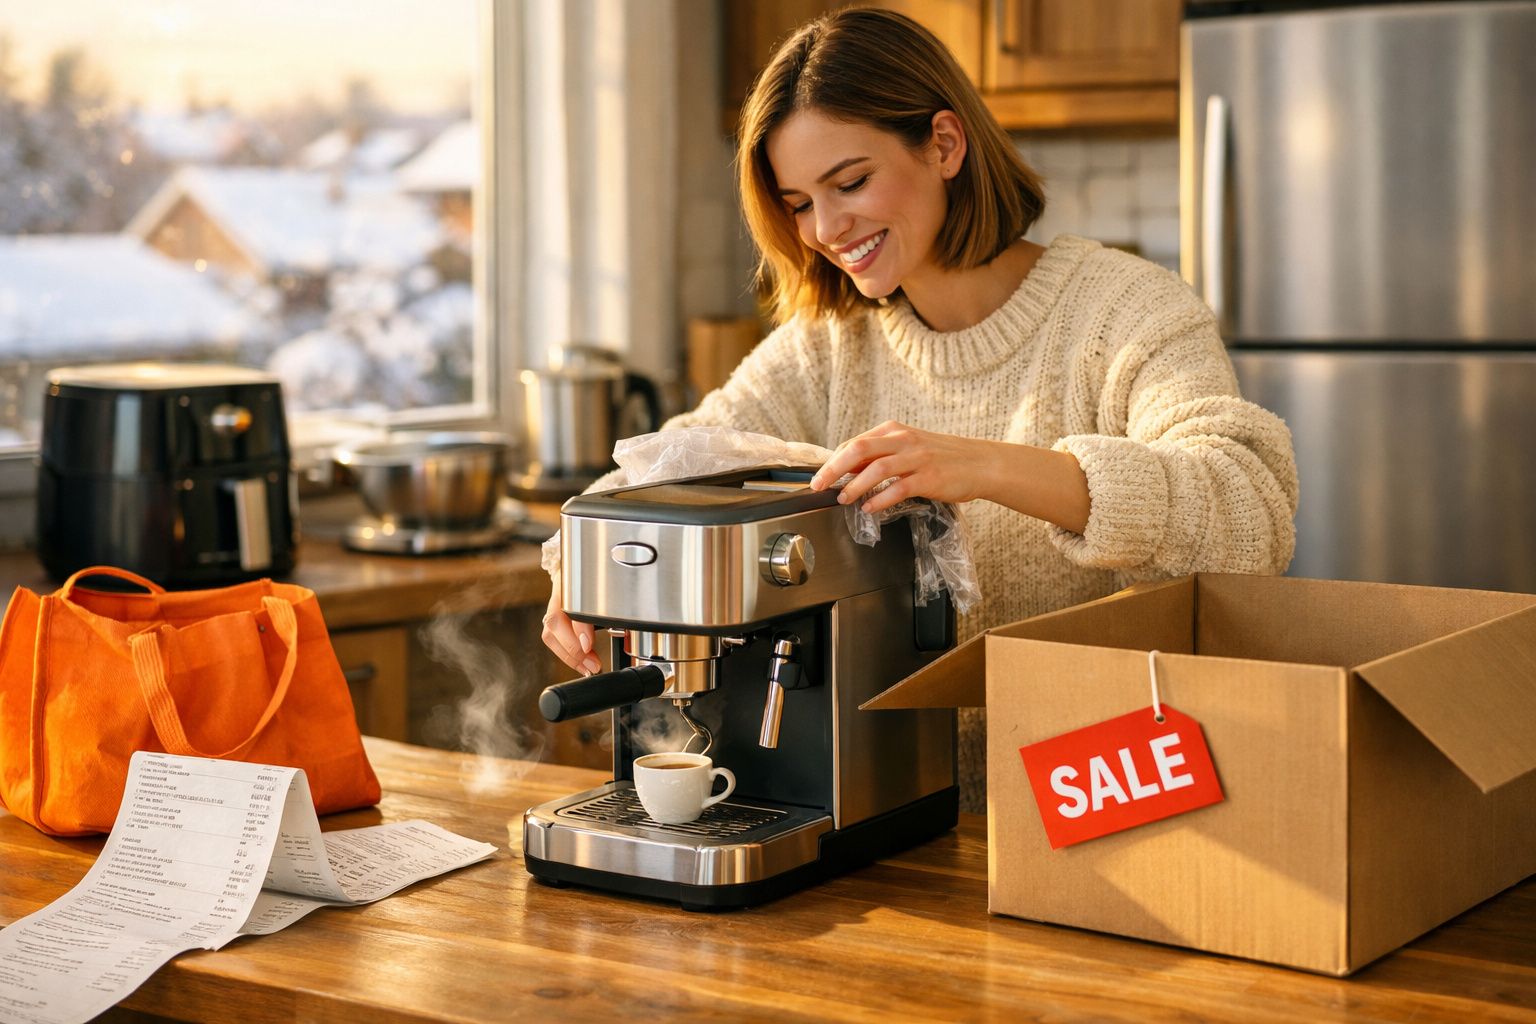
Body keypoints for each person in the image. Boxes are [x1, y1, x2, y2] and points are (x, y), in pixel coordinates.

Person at [542, 8, 1298, 812]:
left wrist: (987, 466)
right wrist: (592, 545)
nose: (827, 229)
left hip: (1101, 816)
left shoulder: (1122, 311)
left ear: (944, 144)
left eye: (851, 181)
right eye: (799, 202)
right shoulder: (833, 343)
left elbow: (1249, 512)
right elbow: (689, 451)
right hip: (899, 821)